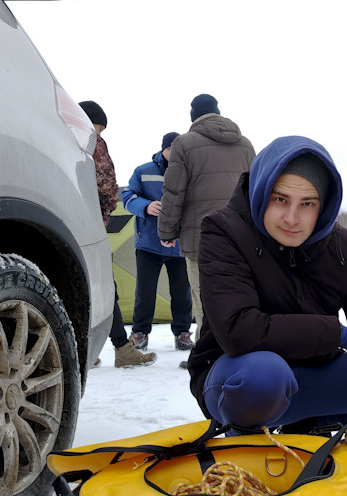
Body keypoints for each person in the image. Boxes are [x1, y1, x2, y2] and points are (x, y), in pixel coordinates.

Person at [187, 135, 347, 449]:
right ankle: (245, 434)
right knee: (264, 378)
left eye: (307, 204)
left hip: (312, 370)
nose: (292, 218)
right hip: (237, 374)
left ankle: (313, 425)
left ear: (324, 205)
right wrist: (340, 334)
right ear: (260, 192)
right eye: (280, 199)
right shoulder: (224, 231)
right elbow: (239, 330)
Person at [157, 94, 255, 351]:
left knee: (205, 302)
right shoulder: (245, 145)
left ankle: (209, 358)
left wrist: (167, 230)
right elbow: (255, 192)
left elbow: (174, 191)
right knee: (241, 298)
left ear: (193, 117)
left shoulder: (184, 144)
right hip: (242, 238)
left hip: (201, 238)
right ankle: (241, 352)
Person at [79, 101, 156, 368]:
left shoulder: (59, 137)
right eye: (100, 127)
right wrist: (109, 207)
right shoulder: (90, 139)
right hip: (89, 223)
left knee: (78, 285)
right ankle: (122, 349)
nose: (100, 133)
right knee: (104, 286)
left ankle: (84, 349)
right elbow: (106, 183)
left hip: (63, 220)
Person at [122, 132, 193, 352]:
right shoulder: (143, 171)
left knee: (182, 292)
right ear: (164, 149)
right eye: (172, 149)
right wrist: (145, 206)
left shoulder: (189, 171)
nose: (176, 153)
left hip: (180, 245)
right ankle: (139, 332)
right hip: (148, 244)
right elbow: (127, 197)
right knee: (145, 292)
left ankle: (182, 333)